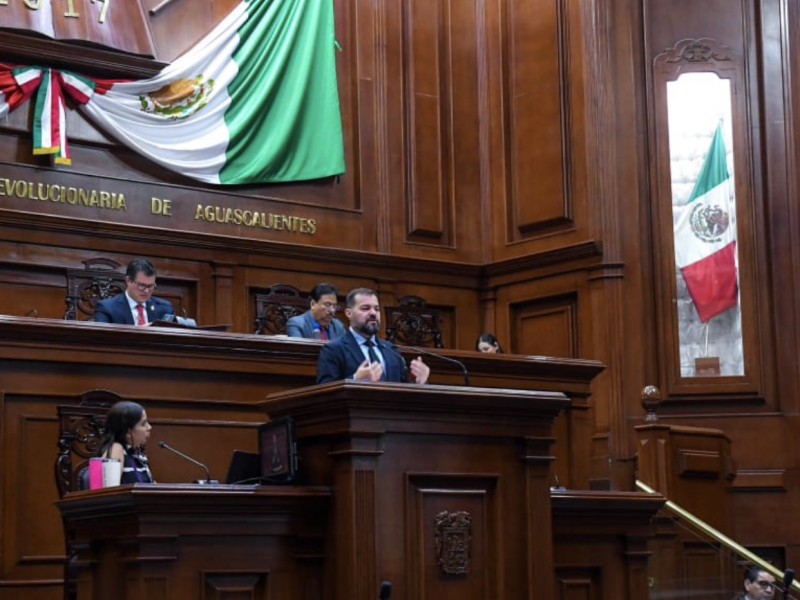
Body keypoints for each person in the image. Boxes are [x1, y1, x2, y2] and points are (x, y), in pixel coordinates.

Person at [317, 287, 430, 384]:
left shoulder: (392, 351)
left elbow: (403, 393)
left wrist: (420, 382)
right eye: (365, 308)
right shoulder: (333, 350)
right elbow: (325, 392)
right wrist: (355, 380)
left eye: (377, 309)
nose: (373, 313)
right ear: (349, 313)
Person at [94, 258, 174, 325]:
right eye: (142, 285)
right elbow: (101, 337)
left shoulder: (164, 309)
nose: (146, 291)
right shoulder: (107, 308)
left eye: (150, 286)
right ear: (128, 281)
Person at [96, 401, 154, 484]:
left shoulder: (138, 454)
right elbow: (107, 489)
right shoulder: (116, 449)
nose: (149, 427)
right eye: (143, 424)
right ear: (127, 431)